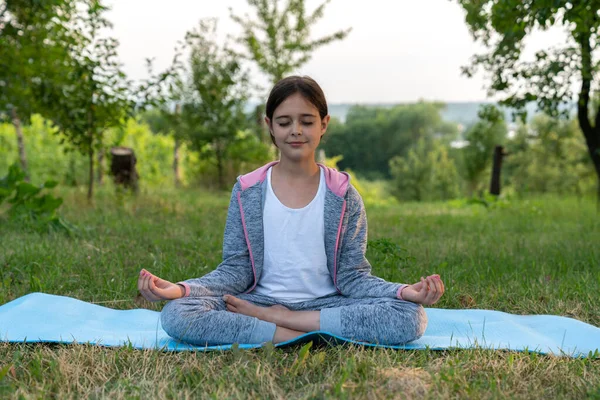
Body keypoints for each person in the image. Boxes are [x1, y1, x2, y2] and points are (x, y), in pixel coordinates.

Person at [138, 75, 445, 346]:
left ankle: (279, 324)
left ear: (323, 124)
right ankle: (310, 335)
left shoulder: (343, 195)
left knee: (410, 316)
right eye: (284, 122)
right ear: (269, 125)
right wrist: (182, 290)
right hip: (257, 299)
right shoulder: (248, 191)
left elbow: (353, 278)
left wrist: (404, 292)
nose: (296, 131)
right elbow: (235, 271)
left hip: (326, 305)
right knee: (178, 314)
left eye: (307, 121)